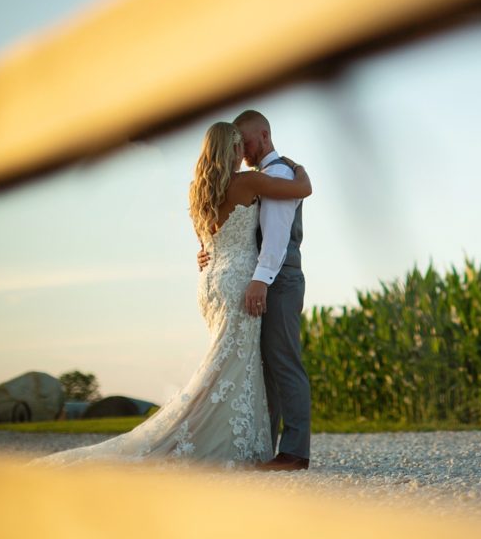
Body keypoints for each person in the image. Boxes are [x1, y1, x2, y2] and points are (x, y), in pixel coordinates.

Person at [29, 121, 312, 469]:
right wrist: (299, 168)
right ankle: (258, 447)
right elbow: (302, 189)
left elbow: (208, 242)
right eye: (239, 146)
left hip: (211, 283)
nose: (244, 153)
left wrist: (208, 254)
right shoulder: (250, 181)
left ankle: (246, 442)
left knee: (229, 367)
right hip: (239, 281)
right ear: (231, 150)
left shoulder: (198, 190)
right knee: (236, 366)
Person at [200, 109, 313, 472]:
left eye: (245, 142)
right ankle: (268, 447)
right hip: (261, 279)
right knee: (264, 368)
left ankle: (294, 452)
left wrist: (259, 281)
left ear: (263, 136)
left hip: (275, 279)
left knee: (283, 363)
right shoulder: (261, 178)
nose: (242, 152)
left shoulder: (278, 173)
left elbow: (277, 239)